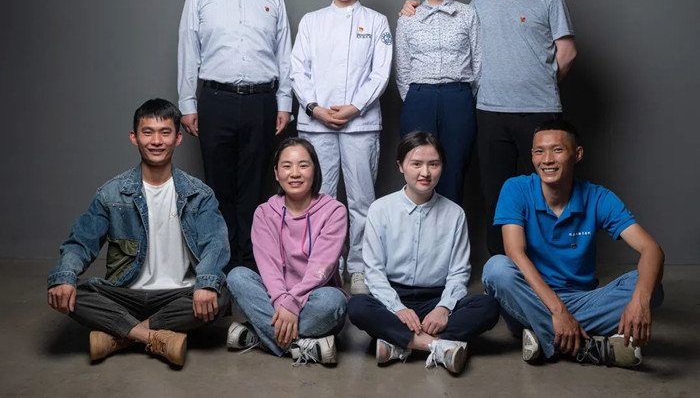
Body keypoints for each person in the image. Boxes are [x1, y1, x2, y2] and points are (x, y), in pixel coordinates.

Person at [400, 0, 577, 255]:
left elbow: (566, 53)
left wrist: (538, 81)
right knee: (496, 194)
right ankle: (501, 269)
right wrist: (413, 8)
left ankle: (550, 267)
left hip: (539, 109)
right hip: (490, 111)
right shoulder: (480, 1)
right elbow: (450, 39)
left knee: (547, 189)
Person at [47, 99, 230, 367]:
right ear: (134, 137)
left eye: (165, 132)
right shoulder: (111, 193)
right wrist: (64, 277)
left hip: (178, 294)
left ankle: (120, 335)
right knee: (69, 290)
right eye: (148, 132)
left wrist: (205, 284)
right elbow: (80, 243)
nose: (156, 141)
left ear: (178, 138)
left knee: (221, 293)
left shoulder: (199, 194)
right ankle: (152, 336)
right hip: (126, 294)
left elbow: (216, 244)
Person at [481, 120, 664, 367]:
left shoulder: (598, 197)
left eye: (557, 150)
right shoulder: (516, 189)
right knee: (496, 269)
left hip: (580, 299)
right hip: (529, 296)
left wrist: (640, 301)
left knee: (650, 286)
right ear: (532, 156)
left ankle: (543, 335)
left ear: (577, 154)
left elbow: (652, 249)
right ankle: (587, 348)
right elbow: (514, 252)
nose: (547, 160)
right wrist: (558, 311)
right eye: (539, 151)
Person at [177, 0, 293, 272]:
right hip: (216, 100)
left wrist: (284, 102)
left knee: (255, 185)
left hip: (262, 102)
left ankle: (248, 264)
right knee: (218, 185)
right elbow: (188, 50)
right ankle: (220, 263)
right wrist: (187, 103)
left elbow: (284, 54)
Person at [347, 131, 500, 375]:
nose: (425, 173)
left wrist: (443, 308)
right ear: (401, 166)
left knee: (488, 306)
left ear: (442, 167)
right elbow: (374, 272)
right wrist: (397, 308)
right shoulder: (380, 209)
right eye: (416, 164)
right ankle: (436, 346)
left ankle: (399, 342)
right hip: (393, 296)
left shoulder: (455, 214)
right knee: (357, 306)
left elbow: (459, 272)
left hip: (435, 299)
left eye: (433, 164)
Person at [290, 0, 392, 295]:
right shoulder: (312, 21)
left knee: (362, 200)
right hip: (317, 123)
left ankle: (360, 267)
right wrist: (314, 108)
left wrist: (354, 107)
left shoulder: (376, 22)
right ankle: (324, 266)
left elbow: (380, 73)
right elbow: (298, 70)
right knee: (319, 198)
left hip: (360, 124)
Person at [226, 137, 348, 366]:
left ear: (315, 170)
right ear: (276, 173)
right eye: (287, 166)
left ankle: (261, 336)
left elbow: (321, 268)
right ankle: (302, 346)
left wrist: (293, 304)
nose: (295, 173)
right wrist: (283, 303)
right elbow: (269, 268)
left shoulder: (334, 211)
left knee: (334, 301)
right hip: (275, 299)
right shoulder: (264, 213)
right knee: (237, 276)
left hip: (314, 300)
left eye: (303, 165)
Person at [394, 0, 481, 206]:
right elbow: (402, 69)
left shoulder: (468, 13)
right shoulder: (407, 19)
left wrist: (463, 96)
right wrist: (417, 98)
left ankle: (451, 232)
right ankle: (418, 230)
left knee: (454, 170)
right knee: (418, 171)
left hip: (458, 99)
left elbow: (478, 62)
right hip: (419, 98)